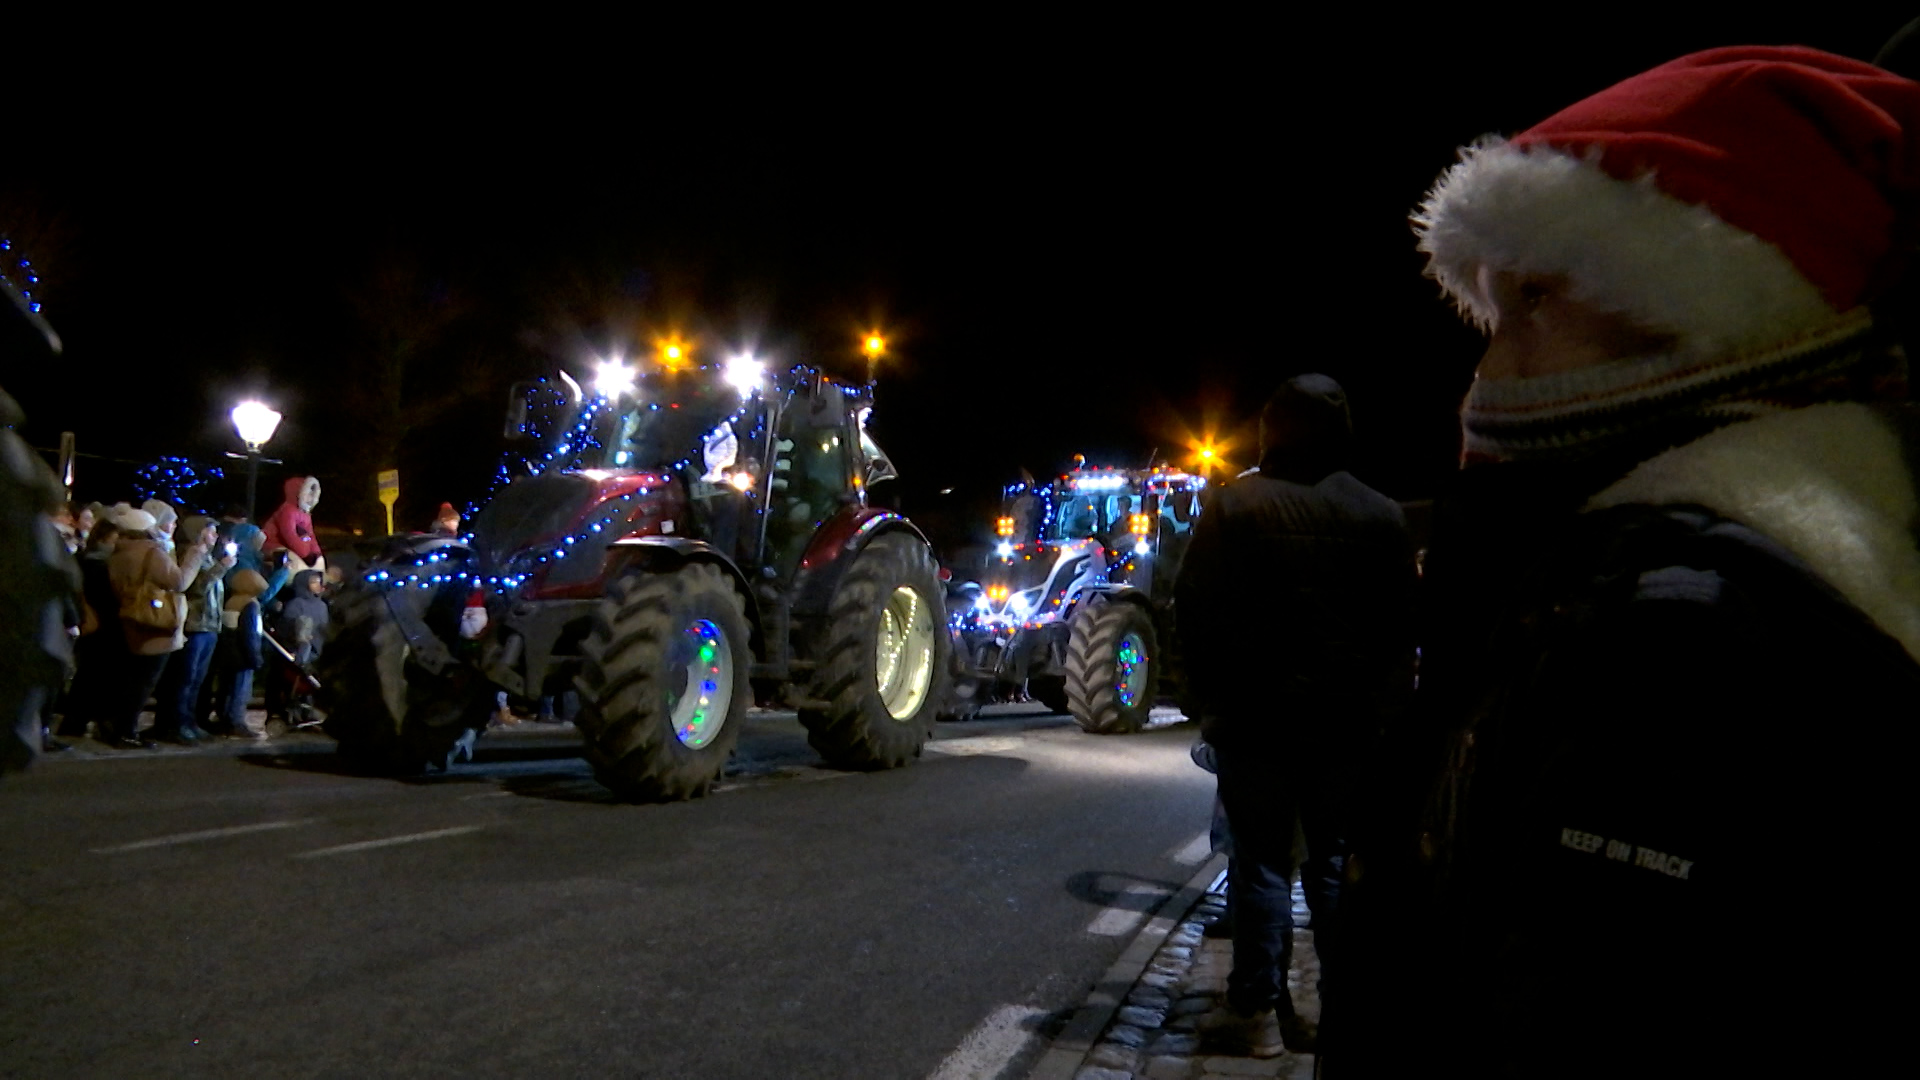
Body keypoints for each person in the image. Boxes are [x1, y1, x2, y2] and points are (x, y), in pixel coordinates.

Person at [1335, 48, 1920, 1077]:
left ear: (1710, 312)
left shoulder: (1682, 634)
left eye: (1537, 301)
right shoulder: (1659, 577)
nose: (1487, 365)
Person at [1175, 375, 1416, 1058]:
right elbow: (1401, 630)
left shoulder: (1235, 507)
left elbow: (1194, 611)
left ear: (1270, 430)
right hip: (1345, 727)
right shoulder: (1381, 516)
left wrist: (1210, 701)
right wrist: (1383, 715)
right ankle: (1338, 1014)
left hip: (1257, 723)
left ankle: (1254, 1015)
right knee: (1335, 864)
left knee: (1262, 865)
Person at [105, 505, 213, 748]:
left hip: (131, 616)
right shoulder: (151, 552)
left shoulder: (120, 551)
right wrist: (195, 555)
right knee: (145, 681)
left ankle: (118, 726)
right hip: (154, 621)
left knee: (132, 678)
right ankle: (126, 731)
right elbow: (179, 581)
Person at [148, 514, 235, 743]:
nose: (215, 535)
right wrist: (221, 568)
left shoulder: (206, 556)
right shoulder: (191, 553)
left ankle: (188, 722)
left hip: (208, 625)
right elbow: (195, 588)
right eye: (210, 530)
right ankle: (176, 724)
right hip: (195, 624)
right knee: (184, 678)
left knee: (196, 679)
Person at [59, 520, 122, 739]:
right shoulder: (100, 563)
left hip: (91, 622)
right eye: (116, 539)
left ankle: (75, 722)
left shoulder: (85, 558)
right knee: (92, 676)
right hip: (100, 623)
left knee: (87, 675)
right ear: (106, 538)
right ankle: (78, 722)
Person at [214, 569, 269, 740]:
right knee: (241, 691)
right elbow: (250, 634)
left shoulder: (231, 602)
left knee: (227, 689)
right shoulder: (250, 605)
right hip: (243, 657)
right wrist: (256, 658)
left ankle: (224, 720)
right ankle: (236, 723)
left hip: (228, 655)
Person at [261, 476, 324, 573]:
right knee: (295, 562)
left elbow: (310, 535)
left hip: (294, 548)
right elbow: (289, 535)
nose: (310, 498)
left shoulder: (305, 513)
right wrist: (305, 553)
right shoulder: (287, 511)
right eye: (308, 494)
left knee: (318, 563)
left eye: (312, 495)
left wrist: (316, 552)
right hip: (274, 545)